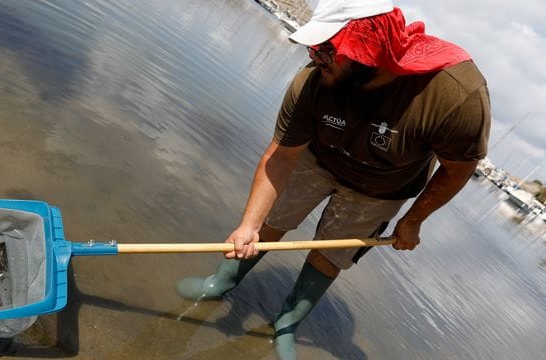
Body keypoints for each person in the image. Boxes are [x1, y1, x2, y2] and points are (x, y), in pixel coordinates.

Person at [177, 0, 491, 358]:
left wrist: (413, 220)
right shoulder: (314, 81)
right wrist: (248, 225)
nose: (314, 59)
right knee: (269, 222)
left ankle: (286, 322)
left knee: (332, 252)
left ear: (366, 51)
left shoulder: (456, 95)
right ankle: (222, 281)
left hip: (381, 187)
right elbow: (281, 156)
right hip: (319, 157)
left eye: (326, 50)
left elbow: (458, 170)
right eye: (314, 49)